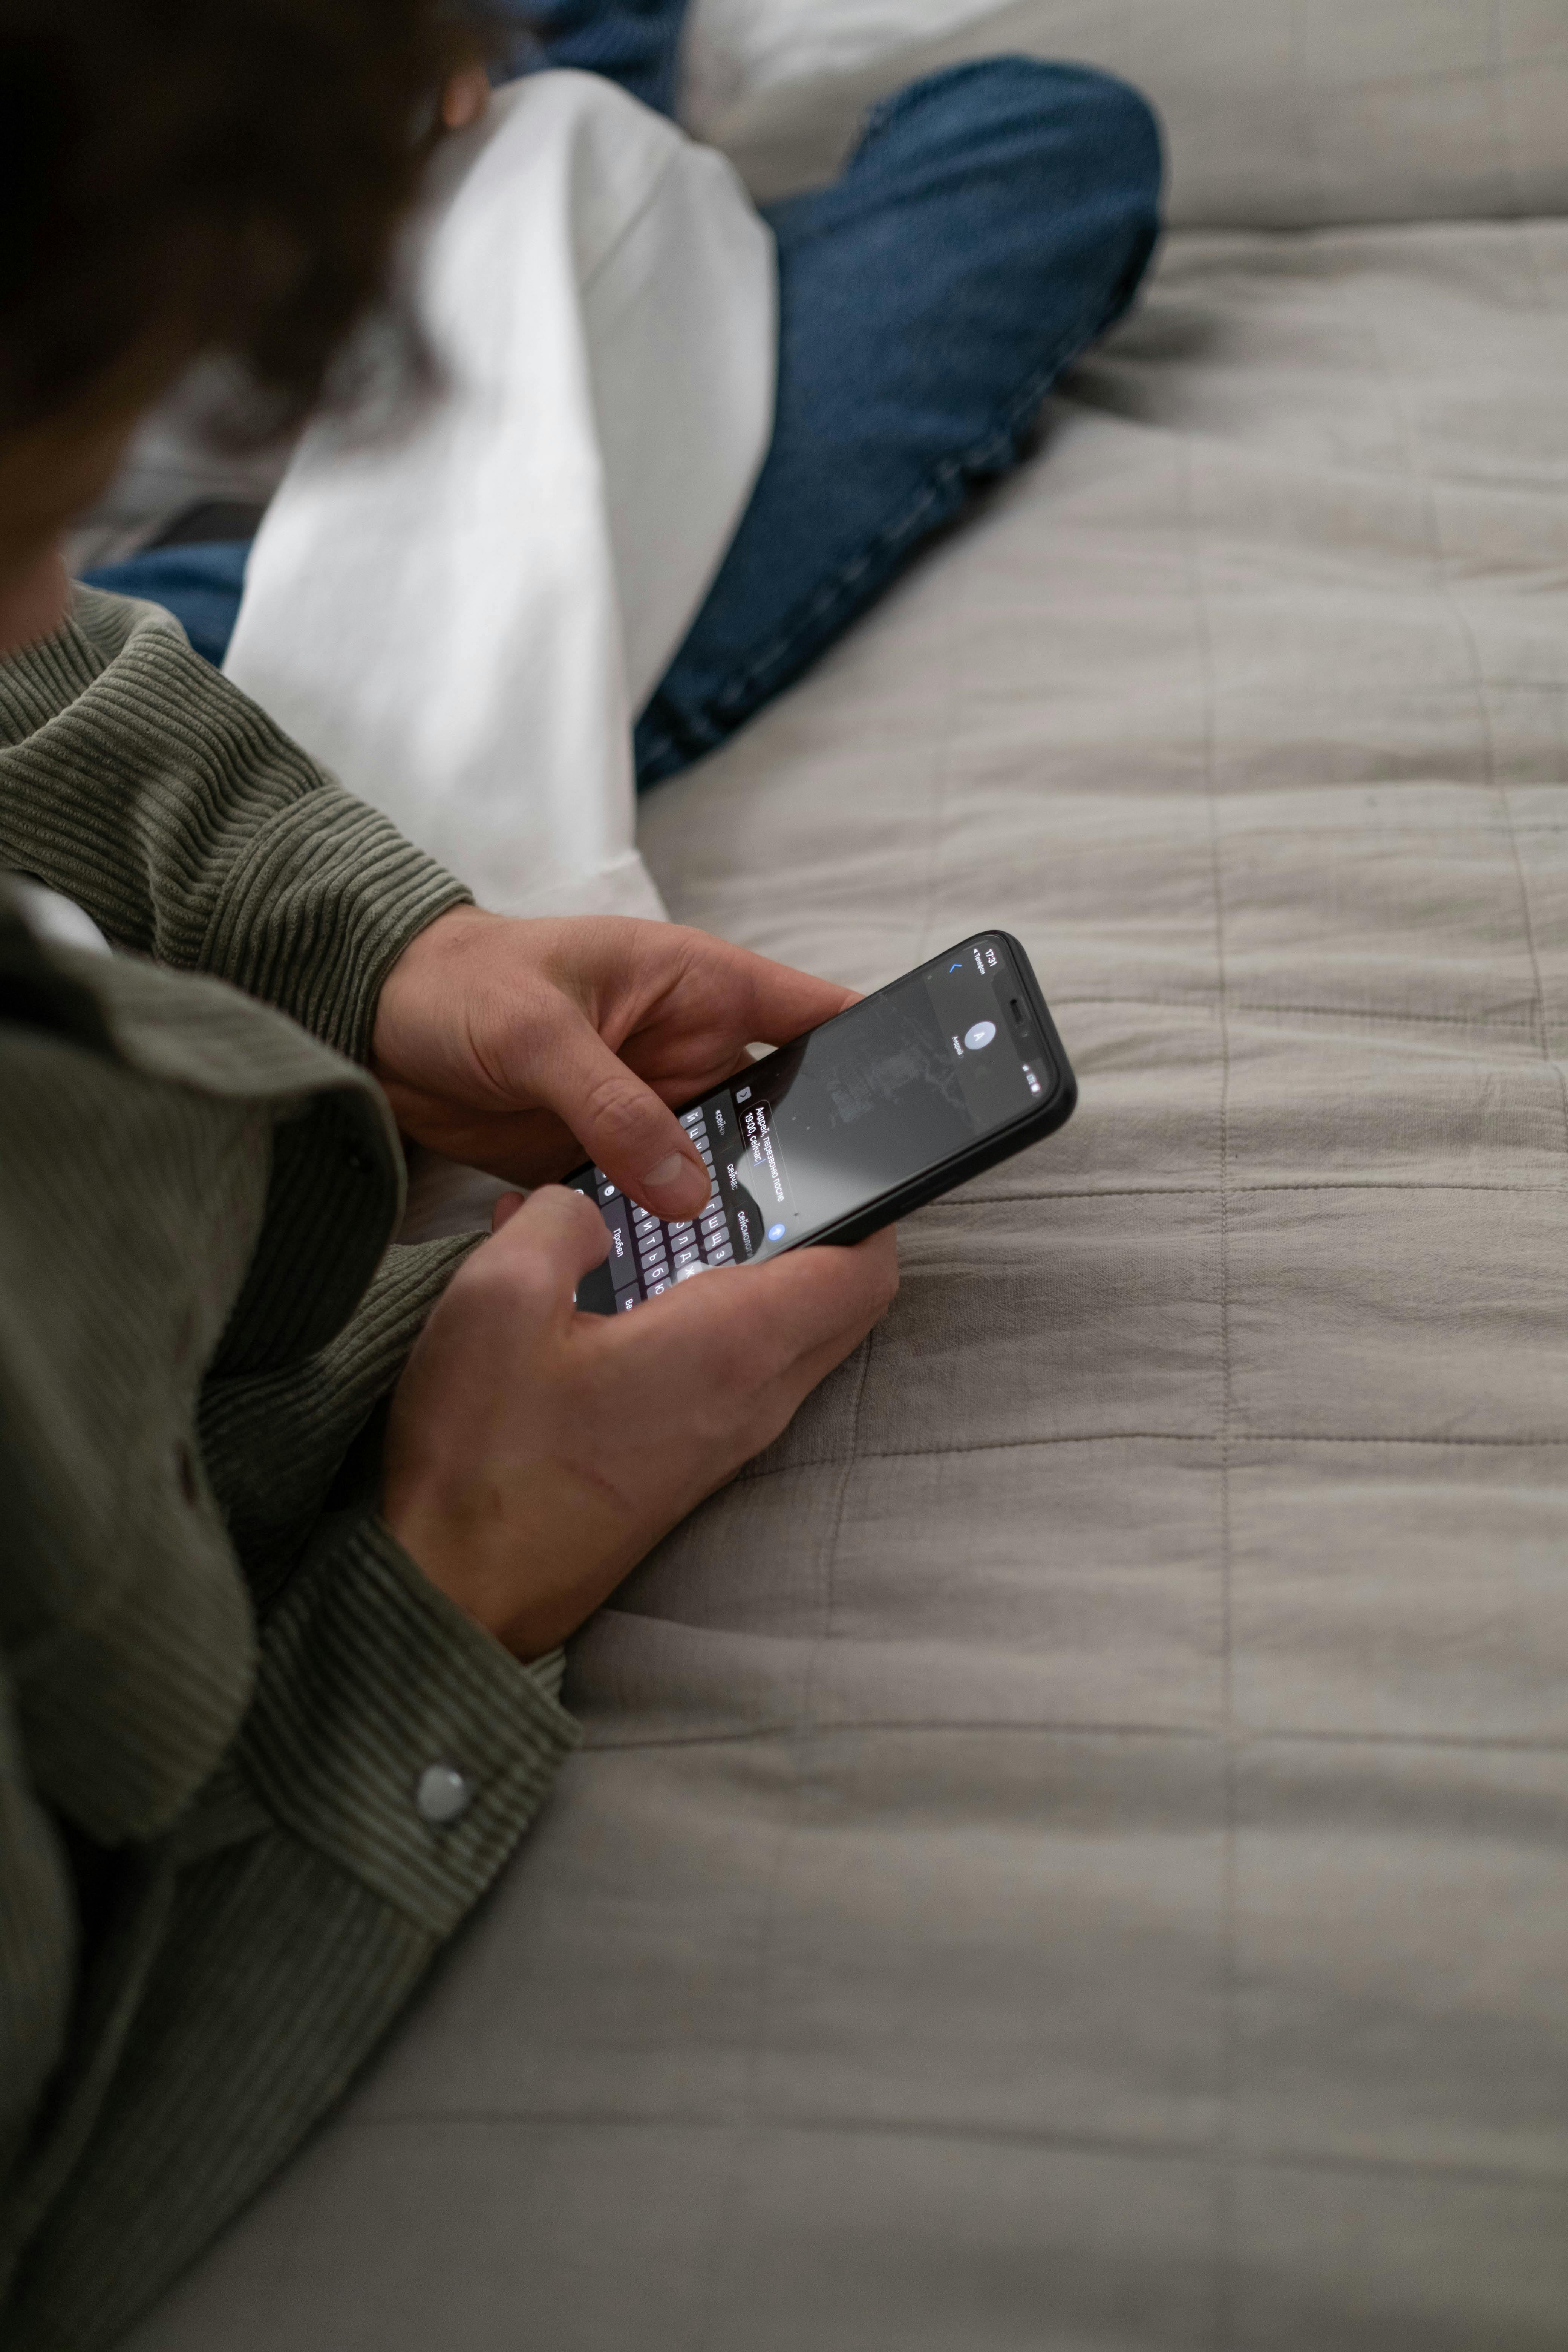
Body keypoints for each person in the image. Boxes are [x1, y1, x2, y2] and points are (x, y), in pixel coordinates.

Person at [0, 5, 897, 2345]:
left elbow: (51, 691)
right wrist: (455, 1585)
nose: (29, 603)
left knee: (591, 130)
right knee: (1011, 147)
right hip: (311, 733)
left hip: (251, 819)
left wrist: (382, 937)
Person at [84, 0, 1163, 787]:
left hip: (535, 325)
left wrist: (419, 59)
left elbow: (591, 137)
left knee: (1052, 142)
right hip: (117, 582)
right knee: (122, 690)